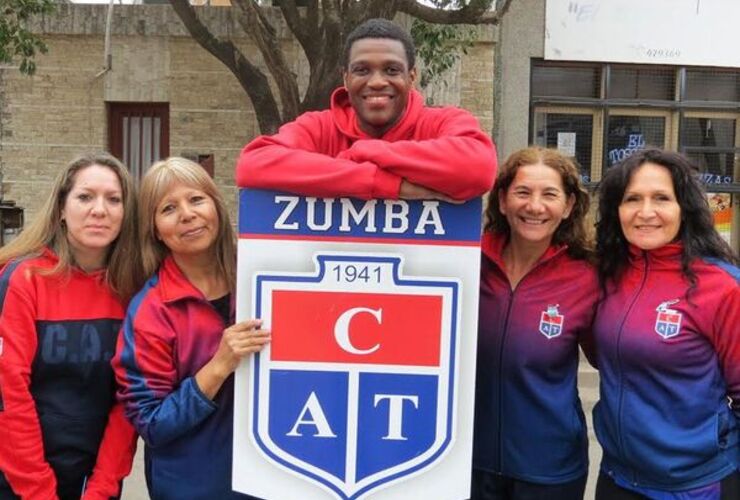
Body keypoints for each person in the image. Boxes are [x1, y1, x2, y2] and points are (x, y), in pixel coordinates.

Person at [113, 157, 270, 499]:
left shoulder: (265, 275)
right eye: (168, 208)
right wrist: (218, 366)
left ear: (216, 205)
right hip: (193, 486)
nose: (187, 214)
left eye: (197, 199)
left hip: (273, 478)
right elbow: (153, 423)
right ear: (154, 228)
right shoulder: (151, 310)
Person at [593, 148, 740, 499]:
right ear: (617, 209)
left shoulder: (722, 286)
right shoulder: (606, 275)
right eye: (632, 199)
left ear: (684, 209)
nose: (646, 212)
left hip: (696, 484)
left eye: (661, 198)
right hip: (617, 477)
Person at [0, 153, 141, 499]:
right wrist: (37, 490)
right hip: (18, 479)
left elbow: (129, 399)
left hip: (93, 481)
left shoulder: (132, 288)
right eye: (85, 196)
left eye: (114, 199)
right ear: (61, 208)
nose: (99, 209)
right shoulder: (22, 278)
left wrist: (103, 487)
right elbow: (8, 393)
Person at [235, 18, 496, 201]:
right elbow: (253, 164)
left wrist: (364, 150)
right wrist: (389, 185)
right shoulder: (318, 127)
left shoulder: (442, 122)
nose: (377, 81)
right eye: (362, 70)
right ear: (346, 78)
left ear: (412, 76)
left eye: (392, 70)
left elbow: (478, 167)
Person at [471, 147, 597, 500]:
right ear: (502, 200)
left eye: (550, 194)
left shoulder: (587, 277)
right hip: (466, 462)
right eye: (523, 192)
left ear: (569, 205)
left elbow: (619, 358)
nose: (535, 206)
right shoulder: (468, 261)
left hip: (550, 469)